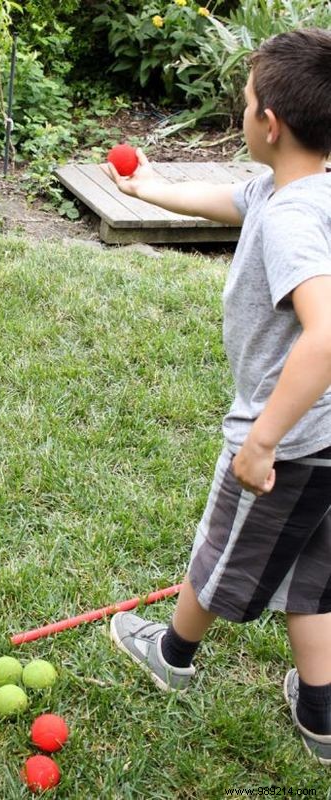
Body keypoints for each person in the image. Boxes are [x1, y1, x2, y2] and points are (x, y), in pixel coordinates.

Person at [104, 28, 331, 764]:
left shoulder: (294, 217)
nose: (241, 112)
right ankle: (322, 713)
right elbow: (232, 199)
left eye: (244, 102)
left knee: (221, 552)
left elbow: (324, 334)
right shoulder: (297, 188)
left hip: (289, 438)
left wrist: (263, 437)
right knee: (312, 575)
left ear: (268, 123)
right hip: (328, 439)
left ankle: (169, 653)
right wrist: (151, 191)